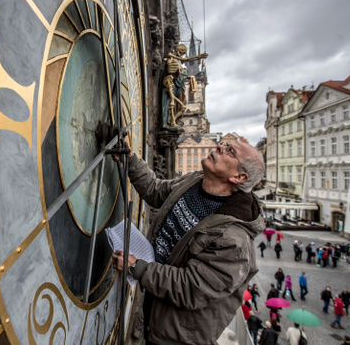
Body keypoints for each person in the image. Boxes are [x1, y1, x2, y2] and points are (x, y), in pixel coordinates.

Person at [111, 140, 266, 345]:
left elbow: (191, 287)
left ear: (238, 177)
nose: (219, 147)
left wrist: (137, 268)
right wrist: (130, 160)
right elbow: (157, 191)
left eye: (230, 151)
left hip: (177, 335)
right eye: (224, 143)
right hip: (155, 307)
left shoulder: (234, 240)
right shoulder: (197, 182)